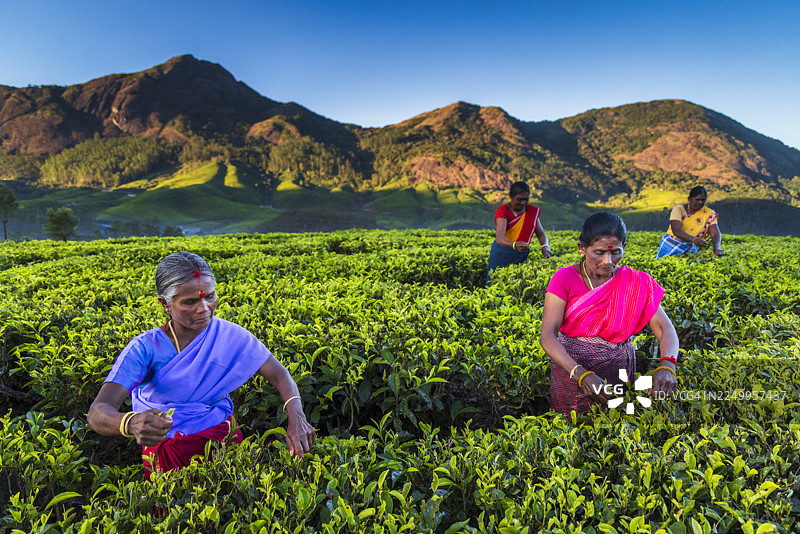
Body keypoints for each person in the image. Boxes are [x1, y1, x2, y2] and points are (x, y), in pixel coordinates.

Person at [88, 252, 316, 478]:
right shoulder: (146, 349)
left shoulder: (229, 334)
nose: (204, 308)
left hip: (226, 442)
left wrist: (296, 416)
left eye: (209, 296)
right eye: (190, 302)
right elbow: (98, 412)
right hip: (171, 456)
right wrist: (130, 422)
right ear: (165, 304)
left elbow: (279, 376)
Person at [540, 212, 679, 414]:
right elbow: (548, 336)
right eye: (599, 252)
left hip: (618, 369)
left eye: (615, 252)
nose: (608, 261)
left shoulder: (636, 282)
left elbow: (664, 327)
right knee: (571, 429)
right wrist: (580, 374)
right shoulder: (564, 278)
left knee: (616, 427)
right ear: (582, 249)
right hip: (570, 369)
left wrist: (668, 364)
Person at [487, 181, 552, 283]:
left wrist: (545, 246)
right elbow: (499, 238)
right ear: (511, 197)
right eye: (519, 199)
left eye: (526, 200)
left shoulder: (531, 212)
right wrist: (514, 245)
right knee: (496, 283)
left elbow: (541, 234)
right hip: (501, 254)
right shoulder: (503, 210)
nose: (523, 203)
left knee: (517, 284)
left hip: (520, 255)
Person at [657, 186, 724, 258]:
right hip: (671, 243)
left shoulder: (708, 213)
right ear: (689, 199)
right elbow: (676, 230)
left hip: (690, 247)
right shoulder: (679, 209)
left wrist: (717, 248)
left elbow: (715, 233)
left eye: (703, 200)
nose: (700, 202)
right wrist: (694, 239)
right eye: (697, 199)